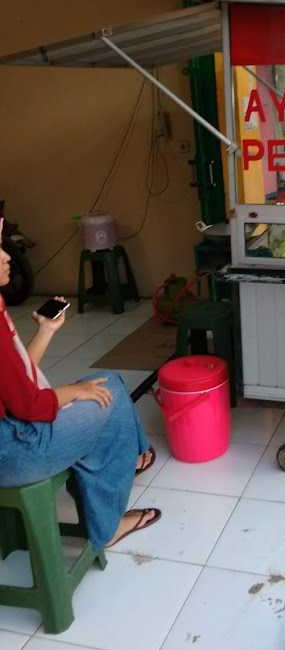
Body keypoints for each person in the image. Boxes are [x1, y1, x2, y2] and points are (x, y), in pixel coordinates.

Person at [0, 220, 161, 550]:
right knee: (110, 395)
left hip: (13, 434)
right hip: (15, 451)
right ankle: (109, 526)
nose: (7, 258)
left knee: (105, 383)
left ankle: (133, 455)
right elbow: (32, 405)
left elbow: (15, 377)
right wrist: (74, 393)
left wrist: (45, 330)